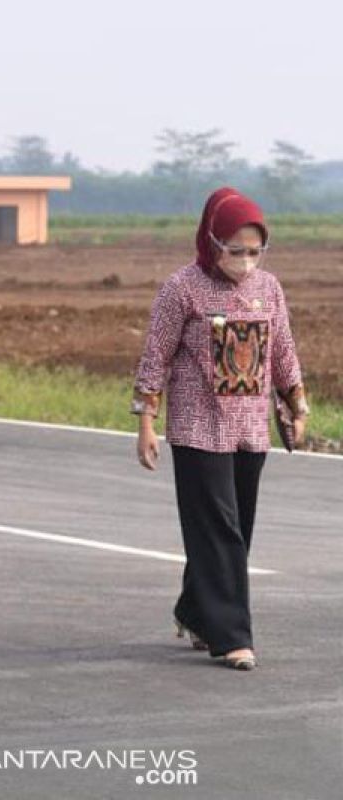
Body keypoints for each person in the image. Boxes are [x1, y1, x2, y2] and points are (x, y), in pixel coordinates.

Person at [133, 187, 308, 671]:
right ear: (212, 242)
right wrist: (146, 421)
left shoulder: (268, 289)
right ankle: (231, 636)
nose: (246, 262)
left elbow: (282, 351)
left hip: (250, 428)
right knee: (220, 531)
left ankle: (195, 610)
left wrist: (297, 404)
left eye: (256, 252)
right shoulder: (181, 289)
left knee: (236, 529)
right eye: (236, 251)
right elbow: (156, 358)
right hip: (198, 426)